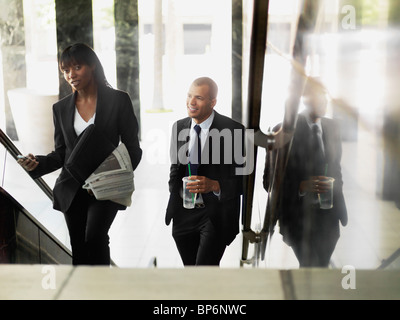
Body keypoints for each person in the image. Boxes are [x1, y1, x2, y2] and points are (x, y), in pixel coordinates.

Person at [18, 43, 142, 265]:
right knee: (79, 248)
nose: (71, 75)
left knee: (95, 237)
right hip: (72, 188)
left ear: (92, 65)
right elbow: (61, 153)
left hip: (105, 188)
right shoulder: (60, 108)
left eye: (77, 67)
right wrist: (37, 163)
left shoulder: (118, 100)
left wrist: (114, 177)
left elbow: (133, 148)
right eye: (65, 70)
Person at [263, 77, 347, 267]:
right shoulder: (282, 131)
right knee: (310, 265)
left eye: (324, 96)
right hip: (297, 216)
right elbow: (268, 180)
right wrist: (302, 186)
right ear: (304, 99)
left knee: (321, 265)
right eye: (317, 96)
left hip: (329, 217)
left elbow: (337, 168)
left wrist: (334, 187)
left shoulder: (332, 128)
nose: (323, 101)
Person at [166, 77, 245, 266]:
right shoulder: (179, 127)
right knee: (192, 272)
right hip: (183, 215)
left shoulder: (234, 131)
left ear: (213, 102)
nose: (191, 102)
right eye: (189, 96)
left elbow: (245, 181)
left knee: (205, 271)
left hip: (215, 215)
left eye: (199, 98)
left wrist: (215, 185)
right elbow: (175, 168)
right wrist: (175, 189)